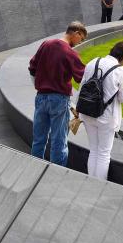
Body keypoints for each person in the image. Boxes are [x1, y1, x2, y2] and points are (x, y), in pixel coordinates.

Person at [28, 21, 87, 166]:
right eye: (82, 38)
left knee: (38, 140)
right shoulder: (70, 53)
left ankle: (35, 170)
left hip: (41, 97)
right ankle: (56, 176)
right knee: (59, 142)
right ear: (76, 33)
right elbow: (82, 78)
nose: (80, 42)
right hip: (59, 100)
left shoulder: (46, 44)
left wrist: (40, 85)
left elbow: (32, 68)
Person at [78, 41, 123, 180]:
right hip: (106, 117)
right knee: (104, 154)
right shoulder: (120, 70)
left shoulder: (92, 62)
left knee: (94, 150)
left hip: (87, 112)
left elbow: (81, 88)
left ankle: (91, 182)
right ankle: (99, 186)